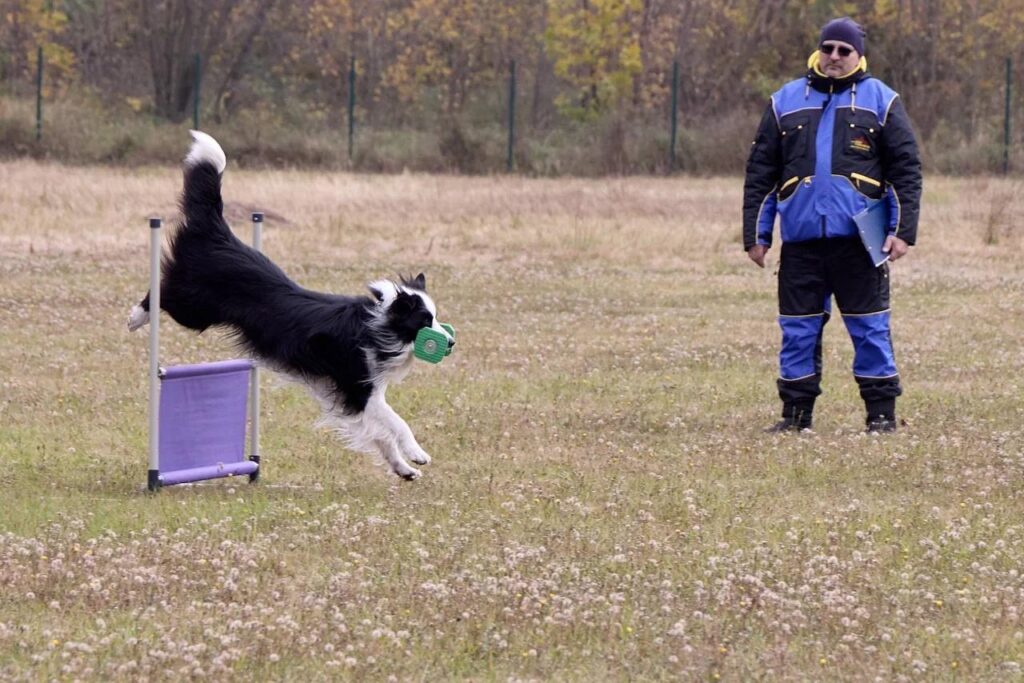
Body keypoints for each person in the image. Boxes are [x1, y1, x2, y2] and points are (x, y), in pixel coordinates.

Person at [742, 17, 922, 433]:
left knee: (870, 328)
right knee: (797, 331)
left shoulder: (882, 100)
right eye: (828, 48)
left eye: (844, 50)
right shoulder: (785, 101)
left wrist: (903, 230)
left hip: (862, 240)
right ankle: (795, 417)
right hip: (802, 244)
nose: (834, 57)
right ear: (818, 51)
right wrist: (757, 235)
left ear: (859, 55)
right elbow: (760, 175)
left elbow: (906, 171)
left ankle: (881, 417)